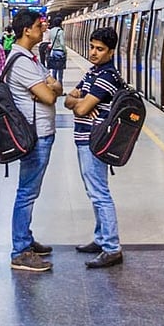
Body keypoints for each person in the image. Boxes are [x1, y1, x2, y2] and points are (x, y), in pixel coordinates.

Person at [5, 11, 63, 272]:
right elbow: (50, 96)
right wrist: (48, 89)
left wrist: (49, 87)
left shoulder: (31, 58)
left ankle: (25, 240)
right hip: (36, 134)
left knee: (29, 190)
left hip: (40, 132)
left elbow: (54, 86)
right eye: (40, 26)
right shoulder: (22, 62)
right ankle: (20, 250)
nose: (44, 29)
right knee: (27, 192)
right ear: (27, 30)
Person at [65, 26, 125, 269]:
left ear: (111, 52)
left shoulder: (107, 77)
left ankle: (112, 247)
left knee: (99, 193)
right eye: (92, 47)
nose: (93, 52)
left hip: (95, 140)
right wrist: (79, 101)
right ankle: (101, 238)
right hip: (84, 138)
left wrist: (79, 102)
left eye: (99, 49)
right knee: (94, 191)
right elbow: (70, 98)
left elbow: (77, 107)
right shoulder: (93, 72)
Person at [47, 17, 67, 85]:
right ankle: (60, 87)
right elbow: (62, 43)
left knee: (54, 70)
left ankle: (54, 86)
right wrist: (65, 51)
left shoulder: (51, 30)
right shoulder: (60, 31)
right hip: (60, 52)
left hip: (53, 51)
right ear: (60, 23)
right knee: (60, 72)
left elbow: (50, 40)